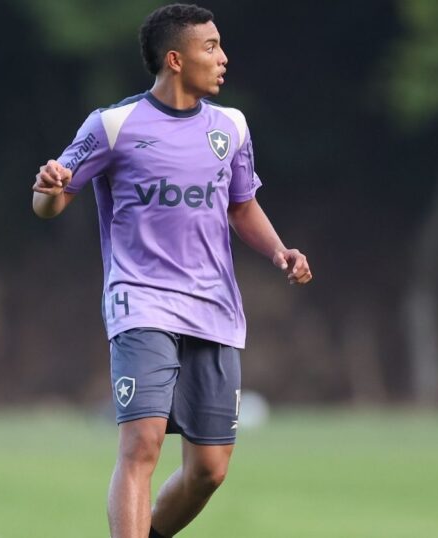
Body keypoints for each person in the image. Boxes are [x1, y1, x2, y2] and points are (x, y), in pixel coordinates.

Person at [30, 4, 312, 537]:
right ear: (176, 59)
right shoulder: (112, 125)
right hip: (141, 302)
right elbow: (53, 200)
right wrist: (46, 190)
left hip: (214, 309)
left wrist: (280, 251)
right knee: (142, 444)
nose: (224, 58)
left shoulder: (231, 127)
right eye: (211, 47)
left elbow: (241, 206)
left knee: (209, 470)